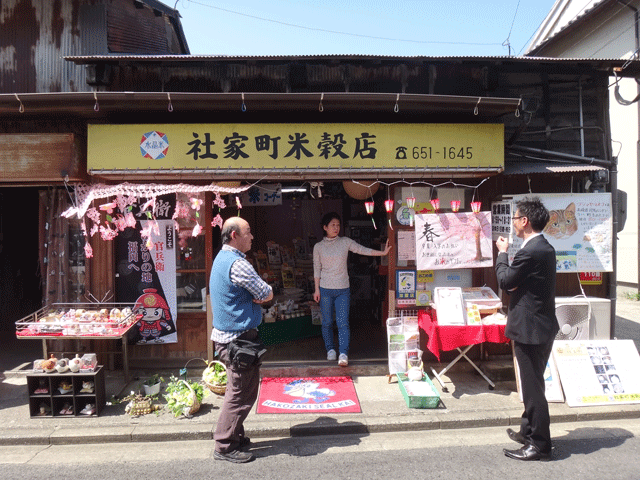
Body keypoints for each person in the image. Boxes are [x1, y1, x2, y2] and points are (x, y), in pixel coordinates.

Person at [495, 197, 558, 462]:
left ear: (525, 221)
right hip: (540, 326)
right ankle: (528, 431)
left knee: (532, 388)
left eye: (515, 217)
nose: (513, 222)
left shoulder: (531, 251)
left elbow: (505, 280)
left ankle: (539, 445)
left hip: (530, 329)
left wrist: (502, 253)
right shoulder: (544, 247)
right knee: (533, 384)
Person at [209, 217, 273, 463]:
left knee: (244, 390)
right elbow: (265, 292)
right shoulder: (238, 264)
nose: (252, 237)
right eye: (248, 232)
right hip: (238, 340)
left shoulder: (221, 259)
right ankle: (224, 445)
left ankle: (234, 435)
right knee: (239, 393)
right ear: (234, 235)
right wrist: (264, 295)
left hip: (231, 339)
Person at [313, 211, 392, 366]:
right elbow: (317, 268)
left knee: (343, 323)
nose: (336, 228)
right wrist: (316, 289)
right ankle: (330, 349)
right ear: (325, 227)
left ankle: (343, 353)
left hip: (343, 288)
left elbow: (363, 250)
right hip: (325, 289)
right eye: (332, 225)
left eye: (338, 225)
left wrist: (382, 253)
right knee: (327, 322)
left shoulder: (345, 242)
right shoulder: (318, 247)